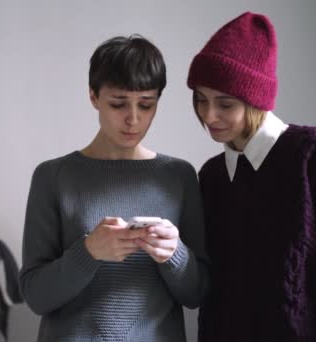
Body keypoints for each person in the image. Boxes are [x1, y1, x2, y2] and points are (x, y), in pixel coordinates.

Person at [186, 11, 316, 341]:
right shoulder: (212, 176)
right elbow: (216, 294)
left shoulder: (315, 152)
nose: (209, 115)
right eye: (201, 100)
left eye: (224, 104)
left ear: (255, 100)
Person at [19, 34, 209, 341]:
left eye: (146, 105)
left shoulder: (179, 176)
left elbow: (197, 294)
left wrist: (175, 255)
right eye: (118, 103)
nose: (133, 119)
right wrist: (89, 252)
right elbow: (35, 296)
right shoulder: (52, 176)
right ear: (93, 96)